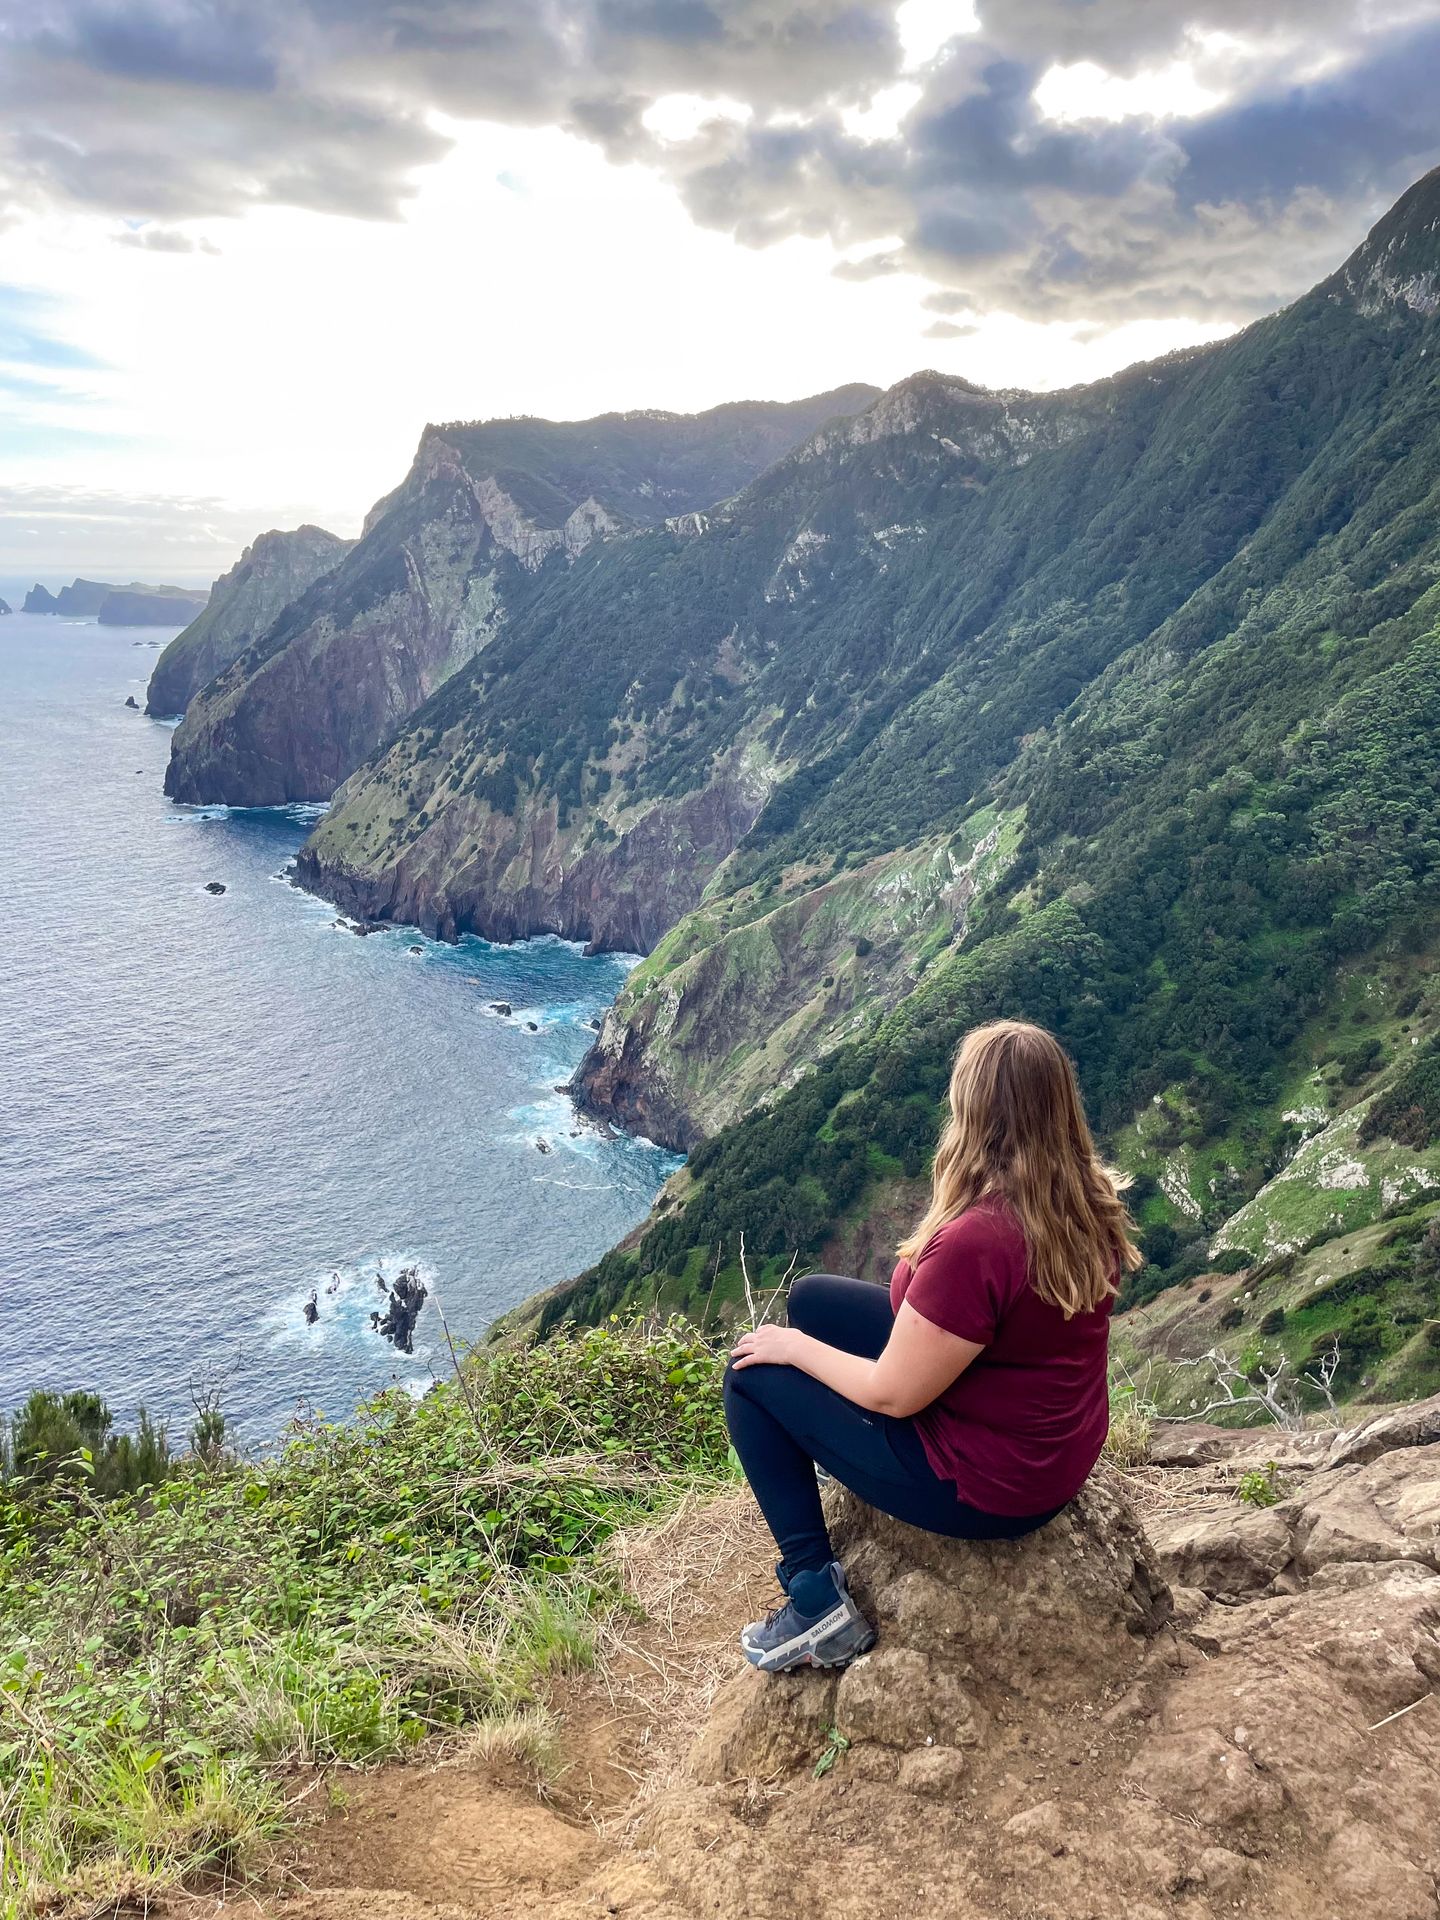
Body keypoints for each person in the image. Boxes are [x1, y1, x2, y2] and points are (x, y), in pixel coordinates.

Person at [725, 1019, 1142, 1675]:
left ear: (973, 1112)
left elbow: (893, 1394)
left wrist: (793, 1351)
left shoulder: (981, 1238)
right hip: (1046, 1448)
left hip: (986, 1486)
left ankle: (815, 1604)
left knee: (751, 1372)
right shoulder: (1081, 1194)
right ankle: (840, 1453)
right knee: (812, 1300)